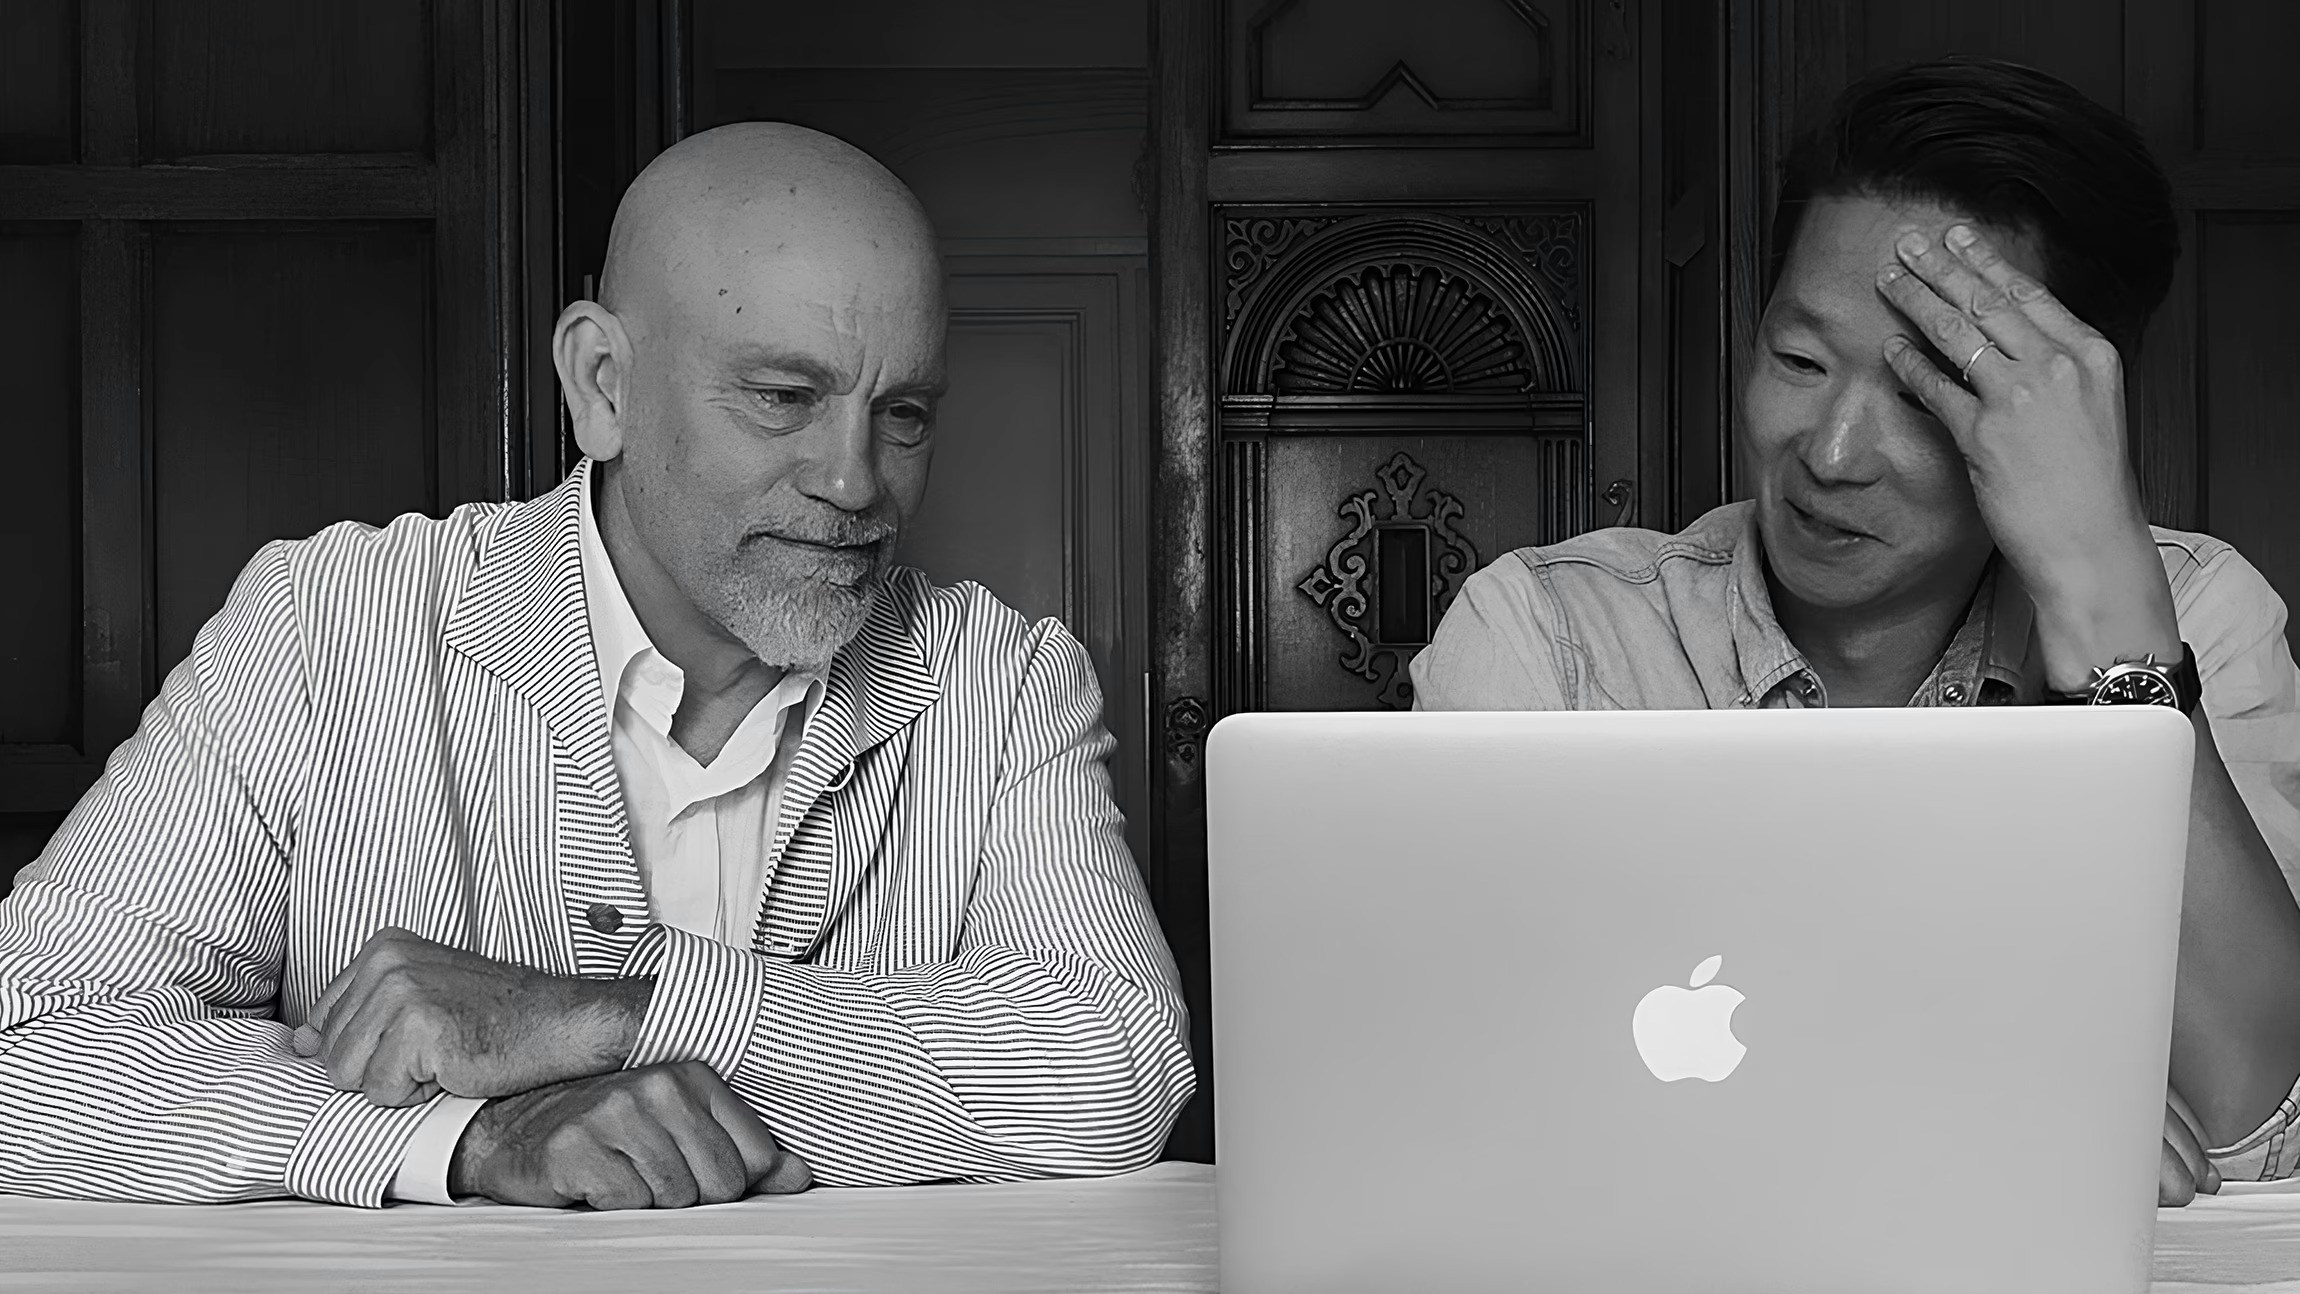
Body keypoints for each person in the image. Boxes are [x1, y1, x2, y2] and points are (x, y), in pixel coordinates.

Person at [0, 122, 1194, 1210]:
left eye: (905, 414)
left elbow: (1118, 1068)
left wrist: (599, 1017)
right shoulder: (326, 626)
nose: (853, 482)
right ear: (601, 385)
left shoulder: (1007, 677)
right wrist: (474, 1139)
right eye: (784, 396)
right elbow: (29, 1038)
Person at [1410, 56, 2300, 1207]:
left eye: (1928, 395)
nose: (1828, 454)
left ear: (2063, 411)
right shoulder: (1548, 631)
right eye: (1795, 360)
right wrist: (1941, 1113)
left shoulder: (2194, 612)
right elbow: (1439, 1095)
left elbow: (2260, 1128)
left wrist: (2102, 600)